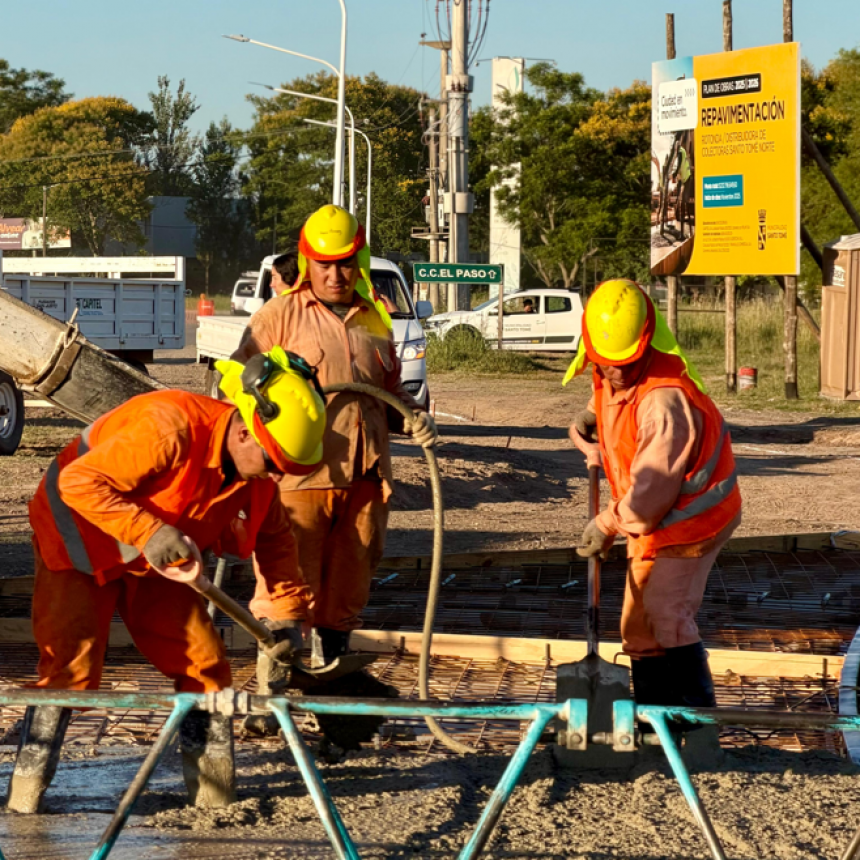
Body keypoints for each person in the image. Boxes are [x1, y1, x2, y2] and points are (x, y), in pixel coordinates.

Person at [8, 348, 325, 814]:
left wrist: (286, 616)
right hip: (79, 535)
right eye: (275, 462)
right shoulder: (169, 425)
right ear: (244, 431)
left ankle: (215, 800)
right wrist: (150, 531)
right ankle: (23, 801)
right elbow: (77, 483)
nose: (278, 476)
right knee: (68, 674)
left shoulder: (254, 477)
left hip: (158, 553)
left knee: (205, 665)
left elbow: (275, 542)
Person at [231, 205, 436, 744]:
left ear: (358, 260)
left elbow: (389, 393)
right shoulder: (279, 317)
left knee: (343, 598)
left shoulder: (375, 318)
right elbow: (238, 387)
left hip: (366, 480)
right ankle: (267, 702)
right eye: (323, 263)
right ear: (306, 262)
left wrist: (412, 418)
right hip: (298, 483)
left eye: (344, 262)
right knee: (284, 593)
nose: (335, 274)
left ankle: (336, 713)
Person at [565, 279, 741, 717]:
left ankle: (695, 727)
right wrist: (591, 418)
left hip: (692, 519)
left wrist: (606, 525)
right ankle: (651, 720)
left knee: (666, 614)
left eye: (626, 363)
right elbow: (613, 391)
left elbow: (649, 499)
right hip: (654, 519)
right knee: (638, 628)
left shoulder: (664, 404)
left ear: (647, 341)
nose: (617, 373)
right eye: (607, 365)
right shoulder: (613, 371)